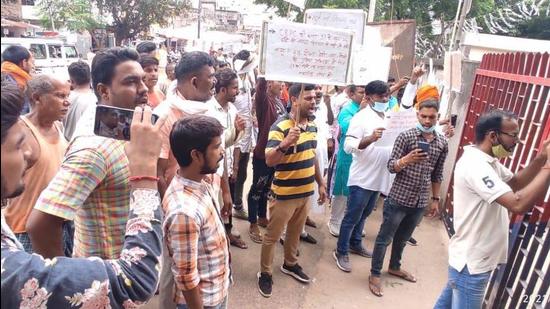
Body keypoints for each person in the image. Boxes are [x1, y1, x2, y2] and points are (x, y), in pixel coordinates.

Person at [1, 77, 165, 307]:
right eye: (18, 144)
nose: (28, 153)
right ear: (104, 91)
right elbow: (133, 281)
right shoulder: (12, 271)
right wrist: (145, 172)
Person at [26, 47, 149, 259]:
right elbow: (41, 223)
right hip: (106, 283)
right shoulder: (94, 148)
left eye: (143, 80)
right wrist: (67, 281)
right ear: (103, 91)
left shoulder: (121, 129)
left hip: (131, 278)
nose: (144, 88)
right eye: (131, 82)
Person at [434, 110, 550, 309]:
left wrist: (540, 159)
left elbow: (515, 182)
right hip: (471, 266)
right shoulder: (475, 166)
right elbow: (517, 203)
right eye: (513, 135)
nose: (517, 141)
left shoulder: (488, 162)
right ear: (493, 136)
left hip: (469, 262)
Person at [154, 51, 217, 309]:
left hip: (204, 199)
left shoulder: (205, 108)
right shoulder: (164, 115)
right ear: (193, 81)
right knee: (177, 272)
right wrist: (176, 213)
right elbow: (157, 172)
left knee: (205, 265)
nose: (215, 82)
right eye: (211, 77)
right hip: (182, 212)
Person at [368, 99, 449, 297]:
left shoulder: (442, 142)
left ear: (438, 117)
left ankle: (395, 266)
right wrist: (407, 159)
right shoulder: (406, 137)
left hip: (420, 202)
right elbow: (391, 166)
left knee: (403, 238)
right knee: (384, 239)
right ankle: (375, 274)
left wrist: (435, 199)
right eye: (424, 116)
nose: (428, 120)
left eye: (432, 117)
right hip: (398, 199)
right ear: (417, 115)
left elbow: (437, 174)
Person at [257, 83, 327, 298]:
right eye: (308, 98)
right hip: (284, 195)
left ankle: (290, 264)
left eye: (315, 98)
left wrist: (321, 183)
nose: (313, 102)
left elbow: (312, 156)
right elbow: (269, 160)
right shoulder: (281, 126)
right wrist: (285, 143)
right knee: (272, 236)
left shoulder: (313, 126)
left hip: (305, 194)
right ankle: (265, 273)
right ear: (294, 100)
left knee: (295, 234)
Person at [163, 116, 230, 309]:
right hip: (205, 302)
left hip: (216, 290)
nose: (222, 152)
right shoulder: (184, 212)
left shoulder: (201, 182)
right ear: (196, 155)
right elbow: (186, 277)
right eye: (216, 147)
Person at [3, 75, 70, 254]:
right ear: (37, 97)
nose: (66, 102)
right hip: (25, 228)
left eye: (67, 96)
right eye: (60, 96)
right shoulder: (20, 131)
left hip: (56, 223)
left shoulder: (59, 127)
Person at [333, 81, 392, 272]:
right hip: (362, 177)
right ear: (368, 97)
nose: (385, 99)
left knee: (365, 213)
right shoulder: (361, 118)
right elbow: (348, 146)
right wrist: (370, 139)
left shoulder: (389, 116)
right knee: (352, 216)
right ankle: (341, 251)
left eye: (387, 95)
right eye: (381, 96)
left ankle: (355, 243)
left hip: (379, 176)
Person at [208, 67, 247, 249]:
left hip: (229, 165)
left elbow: (232, 142)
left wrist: (236, 166)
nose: (237, 91)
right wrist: (236, 131)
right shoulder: (210, 111)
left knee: (227, 204)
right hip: (215, 170)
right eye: (234, 88)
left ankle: (228, 232)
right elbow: (219, 146)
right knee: (218, 203)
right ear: (222, 89)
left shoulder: (231, 109)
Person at [246, 77, 286, 243]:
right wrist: (265, 70)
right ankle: (253, 223)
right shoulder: (264, 100)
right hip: (263, 155)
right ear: (269, 83)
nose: (282, 84)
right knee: (257, 188)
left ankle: (262, 216)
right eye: (279, 81)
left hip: (275, 154)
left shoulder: (279, 102)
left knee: (267, 188)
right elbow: (260, 87)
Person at [327, 84, 365, 237]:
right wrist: (362, 112)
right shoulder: (348, 109)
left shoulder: (371, 109)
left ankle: (350, 221)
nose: (364, 95)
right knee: (342, 190)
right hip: (347, 155)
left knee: (357, 192)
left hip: (362, 157)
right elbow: (347, 127)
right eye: (361, 92)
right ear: (351, 94)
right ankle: (334, 221)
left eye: (366, 92)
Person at [230, 50, 257, 223]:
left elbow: (248, 106)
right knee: (235, 171)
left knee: (243, 172)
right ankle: (235, 204)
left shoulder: (246, 80)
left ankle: (237, 203)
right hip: (235, 134)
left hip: (246, 134)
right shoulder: (235, 82)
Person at [63, 61, 97, 141]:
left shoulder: (64, 99)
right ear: (90, 78)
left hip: (68, 143)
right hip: (87, 145)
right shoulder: (96, 100)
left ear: (71, 81)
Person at [1, 45, 34, 113]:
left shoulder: (5, 73)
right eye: (31, 62)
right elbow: (22, 113)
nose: (32, 66)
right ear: (24, 63)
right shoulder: (19, 84)